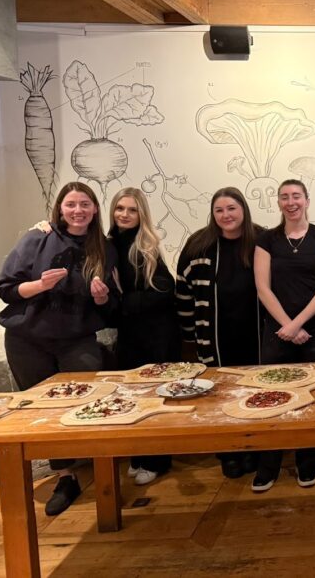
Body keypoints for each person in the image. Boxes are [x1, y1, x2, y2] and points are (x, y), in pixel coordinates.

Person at [0, 182, 118, 515]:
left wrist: (101, 297)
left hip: (76, 337)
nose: (78, 210)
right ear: (60, 209)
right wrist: (40, 285)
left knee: (91, 397)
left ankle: (103, 468)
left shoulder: (104, 248)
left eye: (85, 204)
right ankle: (65, 476)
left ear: (95, 209)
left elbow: (109, 309)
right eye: (71, 204)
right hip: (27, 339)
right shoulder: (39, 237)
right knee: (41, 409)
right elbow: (6, 288)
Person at [253, 179, 315, 492]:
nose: (291, 202)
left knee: (312, 399)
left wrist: (298, 324)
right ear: (278, 203)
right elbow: (263, 287)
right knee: (271, 400)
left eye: (296, 196)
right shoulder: (266, 240)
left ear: (306, 200)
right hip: (277, 330)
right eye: (285, 197)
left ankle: (309, 462)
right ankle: (269, 465)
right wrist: (287, 326)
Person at [176, 187, 264, 481]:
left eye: (232, 209)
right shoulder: (199, 245)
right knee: (221, 398)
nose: (226, 215)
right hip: (214, 337)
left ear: (243, 210)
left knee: (255, 394)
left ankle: (256, 449)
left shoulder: (262, 240)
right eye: (219, 210)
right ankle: (229, 453)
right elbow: (183, 293)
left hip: (257, 336)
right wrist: (190, 336)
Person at [108, 187, 182, 485]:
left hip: (158, 335)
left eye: (132, 210)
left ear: (142, 215)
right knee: (132, 398)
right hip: (129, 334)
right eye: (120, 208)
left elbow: (166, 289)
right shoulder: (107, 244)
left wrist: (127, 302)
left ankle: (157, 461)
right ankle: (138, 455)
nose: (125, 214)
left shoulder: (146, 244)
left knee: (155, 398)